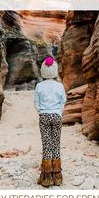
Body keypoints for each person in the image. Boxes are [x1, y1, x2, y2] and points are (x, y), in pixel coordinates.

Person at [34, 56, 67, 187]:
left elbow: (36, 103)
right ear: (55, 70)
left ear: (43, 71)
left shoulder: (39, 86)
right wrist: (58, 112)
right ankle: (57, 177)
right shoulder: (60, 86)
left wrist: (42, 112)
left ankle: (46, 178)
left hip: (44, 116)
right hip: (57, 116)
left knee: (46, 145)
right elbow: (63, 101)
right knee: (56, 145)